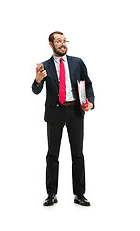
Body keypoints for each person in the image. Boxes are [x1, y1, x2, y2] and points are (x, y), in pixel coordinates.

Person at [32, 31, 95, 207]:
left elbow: (88, 84)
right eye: (58, 41)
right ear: (51, 44)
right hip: (55, 113)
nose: (62, 44)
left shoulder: (77, 62)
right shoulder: (45, 66)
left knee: (78, 154)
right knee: (52, 154)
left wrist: (91, 103)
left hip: (75, 112)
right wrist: (37, 80)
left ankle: (80, 194)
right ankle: (51, 194)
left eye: (64, 41)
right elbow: (36, 90)